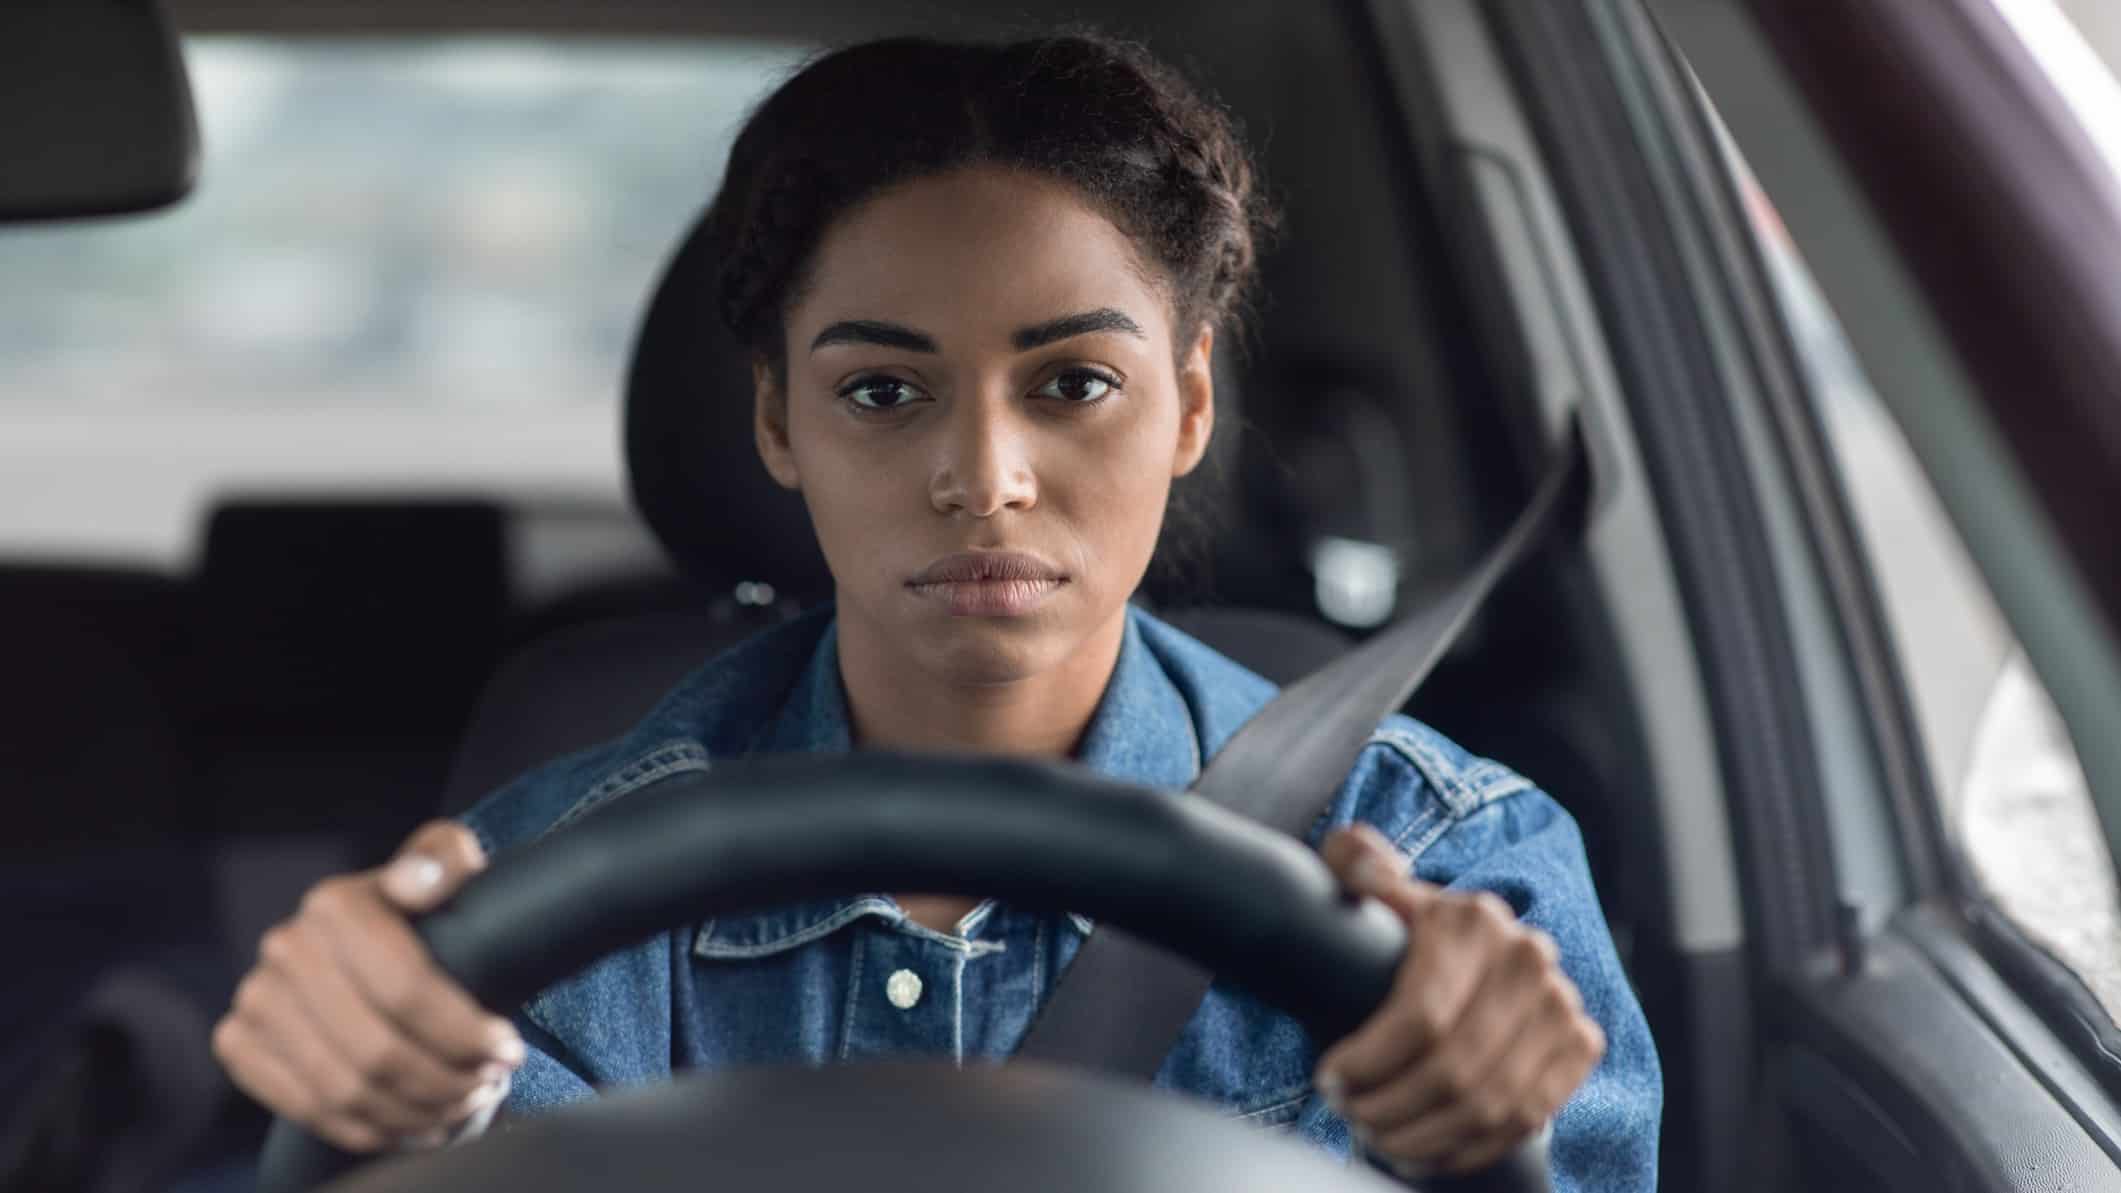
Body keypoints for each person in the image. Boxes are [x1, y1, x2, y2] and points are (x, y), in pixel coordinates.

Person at [211, 32, 1661, 1190]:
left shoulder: (1445, 870)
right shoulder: (543, 897)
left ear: (1191, 405)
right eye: (882, 392)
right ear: (779, 420)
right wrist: (377, 1080)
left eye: (1072, 383)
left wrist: (1467, 1126)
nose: (983, 478)